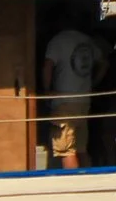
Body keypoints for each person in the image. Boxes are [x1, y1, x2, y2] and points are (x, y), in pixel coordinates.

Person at [41, 24, 108, 170]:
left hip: (64, 103)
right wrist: (93, 84)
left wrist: (47, 91)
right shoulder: (87, 40)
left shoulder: (57, 41)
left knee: (66, 150)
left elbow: (48, 66)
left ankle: (76, 185)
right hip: (84, 101)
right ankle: (87, 182)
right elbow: (103, 63)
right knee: (81, 149)